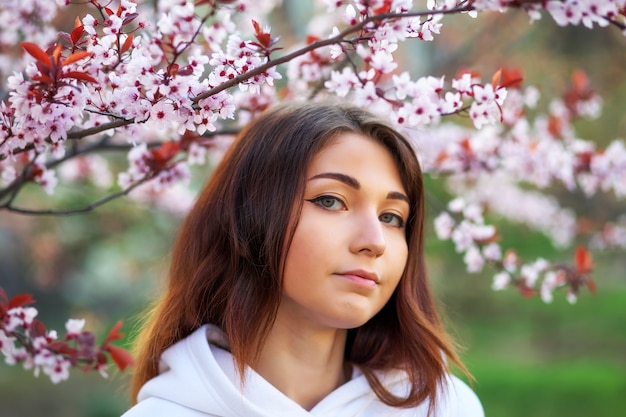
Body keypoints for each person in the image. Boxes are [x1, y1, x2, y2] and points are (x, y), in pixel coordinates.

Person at [122, 102, 484, 417]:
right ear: (249, 216)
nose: (375, 242)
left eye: (391, 217)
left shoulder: (443, 408)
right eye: (331, 200)